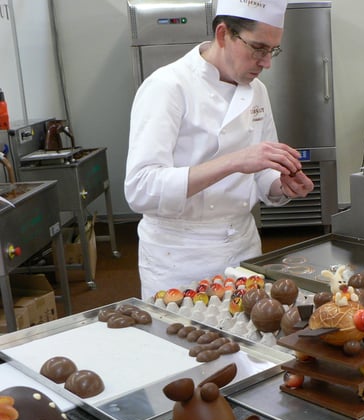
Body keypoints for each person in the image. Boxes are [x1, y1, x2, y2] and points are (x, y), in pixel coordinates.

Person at [125, 0, 314, 300]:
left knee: (247, 338)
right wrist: (234, 162)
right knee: (183, 342)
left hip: (242, 248)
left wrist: (281, 186)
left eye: (272, 50)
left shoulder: (257, 92)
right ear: (224, 34)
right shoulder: (167, 87)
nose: (267, 63)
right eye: (258, 49)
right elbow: (140, 188)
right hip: (180, 257)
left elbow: (262, 171)